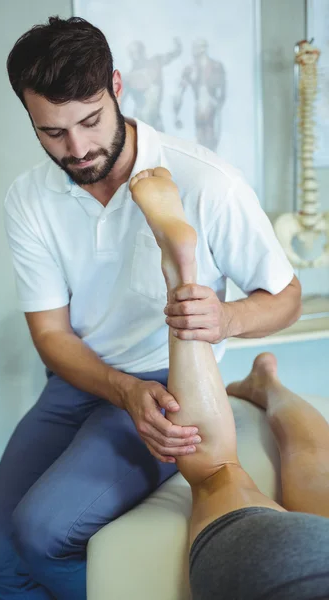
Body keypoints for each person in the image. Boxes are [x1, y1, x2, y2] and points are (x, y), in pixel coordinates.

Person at [0, 16, 301, 600]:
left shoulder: (206, 182)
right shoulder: (29, 198)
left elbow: (286, 299)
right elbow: (50, 333)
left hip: (169, 387)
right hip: (78, 380)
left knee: (42, 531)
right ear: (29, 116)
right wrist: (120, 390)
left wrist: (227, 319)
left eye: (90, 121)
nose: (77, 149)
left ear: (117, 86)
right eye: (51, 132)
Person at [129, 167, 329, 600]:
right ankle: (187, 285)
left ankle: (265, 381)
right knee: (218, 470)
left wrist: (228, 318)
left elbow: (287, 299)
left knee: (293, 460)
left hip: (302, 566)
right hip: (290, 574)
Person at [174, 39, 226, 151]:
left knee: (211, 142)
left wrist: (217, 106)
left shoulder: (216, 66)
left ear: (202, 49)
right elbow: (179, 93)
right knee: (201, 143)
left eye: (196, 48)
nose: (193, 52)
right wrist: (176, 115)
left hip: (212, 109)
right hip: (199, 110)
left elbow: (222, 91)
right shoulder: (189, 69)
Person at [122, 38, 182, 131]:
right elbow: (121, 99)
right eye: (132, 53)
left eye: (137, 52)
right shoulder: (128, 77)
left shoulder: (155, 62)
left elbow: (170, 56)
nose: (136, 56)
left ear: (142, 51)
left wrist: (177, 49)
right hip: (140, 119)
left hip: (154, 117)